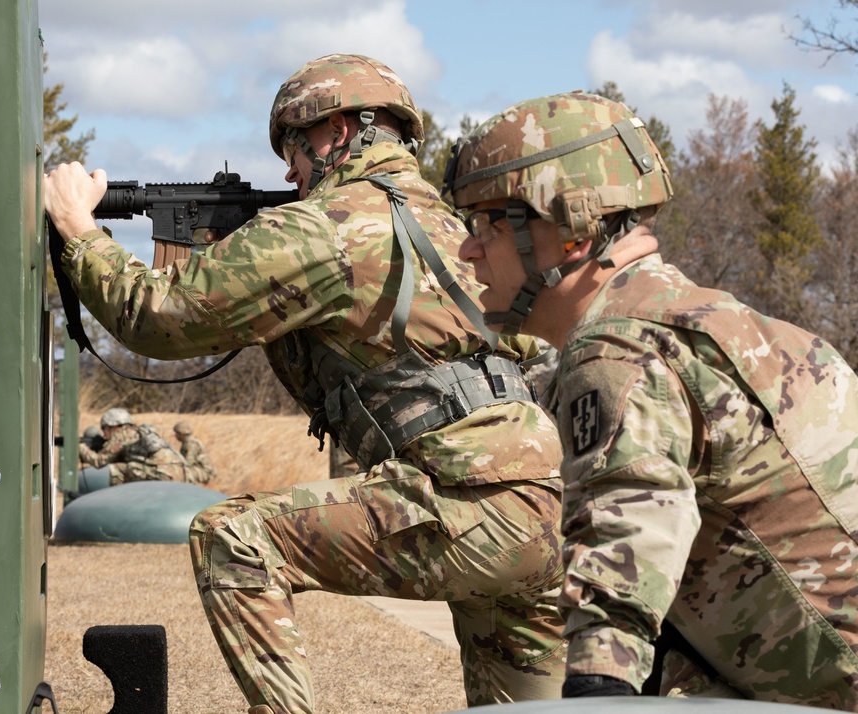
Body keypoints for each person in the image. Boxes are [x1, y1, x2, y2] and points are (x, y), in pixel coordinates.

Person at [45, 54, 568, 714]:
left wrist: (78, 229)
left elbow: (159, 320)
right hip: (541, 506)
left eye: (293, 144)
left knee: (235, 539)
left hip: (461, 499)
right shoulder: (458, 229)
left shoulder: (320, 228)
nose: (288, 170)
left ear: (343, 130)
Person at [449, 91, 858, 709]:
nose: (468, 249)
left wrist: (596, 689)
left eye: (488, 224)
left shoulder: (618, 348)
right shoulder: (724, 325)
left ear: (573, 233)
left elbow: (628, 536)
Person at [80, 407, 189, 485]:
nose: (104, 434)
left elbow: (99, 461)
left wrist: (81, 447)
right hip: (179, 474)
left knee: (116, 470)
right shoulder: (137, 432)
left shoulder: (121, 435)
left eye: (105, 429)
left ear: (114, 427)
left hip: (162, 475)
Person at [172, 420, 217, 485]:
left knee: (183, 474)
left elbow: (188, 464)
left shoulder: (190, 445)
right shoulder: (189, 442)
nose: (175, 436)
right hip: (202, 469)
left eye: (176, 433)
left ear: (181, 434)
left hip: (205, 471)